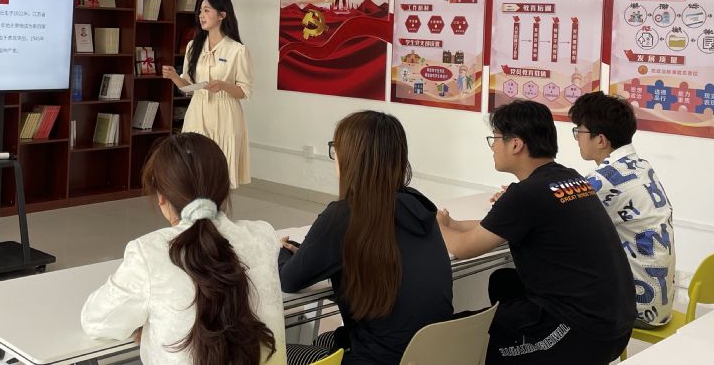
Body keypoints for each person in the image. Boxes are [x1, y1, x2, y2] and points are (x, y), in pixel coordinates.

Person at [437, 100, 634, 365]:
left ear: (516, 144)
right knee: (503, 282)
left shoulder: (526, 193)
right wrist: (453, 224)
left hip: (582, 333)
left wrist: (437, 225)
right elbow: (499, 225)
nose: (493, 147)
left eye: (495, 139)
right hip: (616, 324)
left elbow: (463, 248)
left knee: (457, 334)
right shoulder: (568, 178)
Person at [81, 132, 286, 365]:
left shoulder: (149, 252)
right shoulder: (263, 236)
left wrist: (146, 322)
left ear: (161, 197)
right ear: (224, 190)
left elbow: (96, 322)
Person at [278, 111, 453, 365]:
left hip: (381, 358)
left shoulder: (344, 215)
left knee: (278, 353)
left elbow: (288, 280)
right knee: (325, 340)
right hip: (429, 355)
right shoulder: (419, 207)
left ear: (351, 158)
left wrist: (283, 251)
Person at [568, 91, 675, 327]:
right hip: (661, 304)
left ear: (600, 140)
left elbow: (556, 211)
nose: (576, 139)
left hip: (636, 309)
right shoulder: (640, 166)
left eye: (579, 132)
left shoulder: (605, 179)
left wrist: (522, 196)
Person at [162, 0, 252, 188]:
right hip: (197, 110)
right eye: (200, 11)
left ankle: (217, 207)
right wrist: (174, 77)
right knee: (193, 166)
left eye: (206, 10)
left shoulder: (237, 50)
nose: (201, 15)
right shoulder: (192, 47)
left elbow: (244, 91)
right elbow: (187, 85)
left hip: (225, 114)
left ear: (222, 15)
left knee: (219, 172)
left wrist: (223, 85)